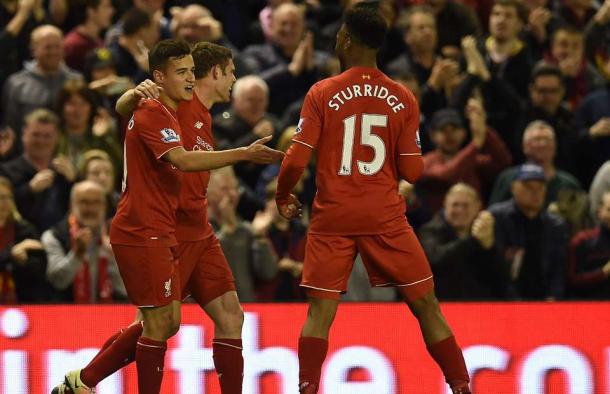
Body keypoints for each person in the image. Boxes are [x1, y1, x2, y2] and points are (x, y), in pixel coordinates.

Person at [53, 40, 282, 394]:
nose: (235, 79)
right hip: (163, 229)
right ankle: (83, 381)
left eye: (191, 71)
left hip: (198, 231)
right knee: (158, 324)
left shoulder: (202, 115)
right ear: (217, 72)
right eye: (232, 72)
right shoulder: (170, 106)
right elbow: (138, 114)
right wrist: (243, 154)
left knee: (229, 316)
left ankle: (81, 382)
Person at [275, 5, 470, 394]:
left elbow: (296, 158)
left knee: (320, 313)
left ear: (346, 39)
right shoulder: (403, 97)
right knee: (427, 306)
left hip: (333, 216)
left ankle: (307, 388)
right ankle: (462, 387)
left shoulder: (322, 92)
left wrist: (283, 195)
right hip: (384, 217)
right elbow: (414, 172)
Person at [489, 163, 569, 300]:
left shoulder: (556, 224)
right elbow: (493, 268)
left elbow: (559, 269)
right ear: (513, 188)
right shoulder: (497, 218)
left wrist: (554, 297)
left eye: (540, 187)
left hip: (545, 300)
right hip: (502, 302)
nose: (535, 192)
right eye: (528, 187)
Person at [419, 183, 512, 300]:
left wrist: (489, 248)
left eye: (466, 205)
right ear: (445, 205)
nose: (460, 210)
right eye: (455, 205)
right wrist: (472, 240)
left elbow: (503, 277)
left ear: (478, 207)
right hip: (442, 306)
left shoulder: (487, 231)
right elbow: (437, 259)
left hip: (482, 307)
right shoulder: (430, 231)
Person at [43, 180, 126, 302]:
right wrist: (77, 255)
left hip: (111, 315)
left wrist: (114, 257)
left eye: (96, 202)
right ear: (72, 206)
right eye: (84, 202)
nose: (91, 208)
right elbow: (58, 282)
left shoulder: (118, 235)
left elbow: (126, 291)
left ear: (104, 206)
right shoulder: (54, 236)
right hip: (66, 315)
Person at [0, 176, 48, 303]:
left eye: (6, 198)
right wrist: (11, 253)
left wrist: (24, 260)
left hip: (22, 301)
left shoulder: (26, 230)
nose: (3, 203)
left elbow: (42, 270)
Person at [568, 191, 610, 299]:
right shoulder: (581, 241)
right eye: (609, 210)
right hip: (589, 307)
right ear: (599, 211)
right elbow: (572, 280)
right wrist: (603, 272)